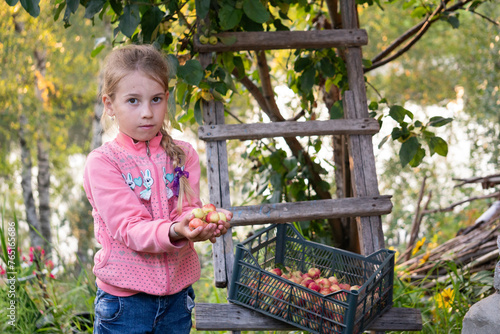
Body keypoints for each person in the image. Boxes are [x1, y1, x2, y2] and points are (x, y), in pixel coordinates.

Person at [83, 44, 232, 334]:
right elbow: (129, 227)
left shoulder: (183, 154)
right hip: (125, 305)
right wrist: (177, 230)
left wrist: (200, 224)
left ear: (167, 99)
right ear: (110, 105)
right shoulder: (103, 163)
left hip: (177, 300)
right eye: (133, 101)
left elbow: (187, 210)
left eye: (156, 99)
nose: (148, 113)